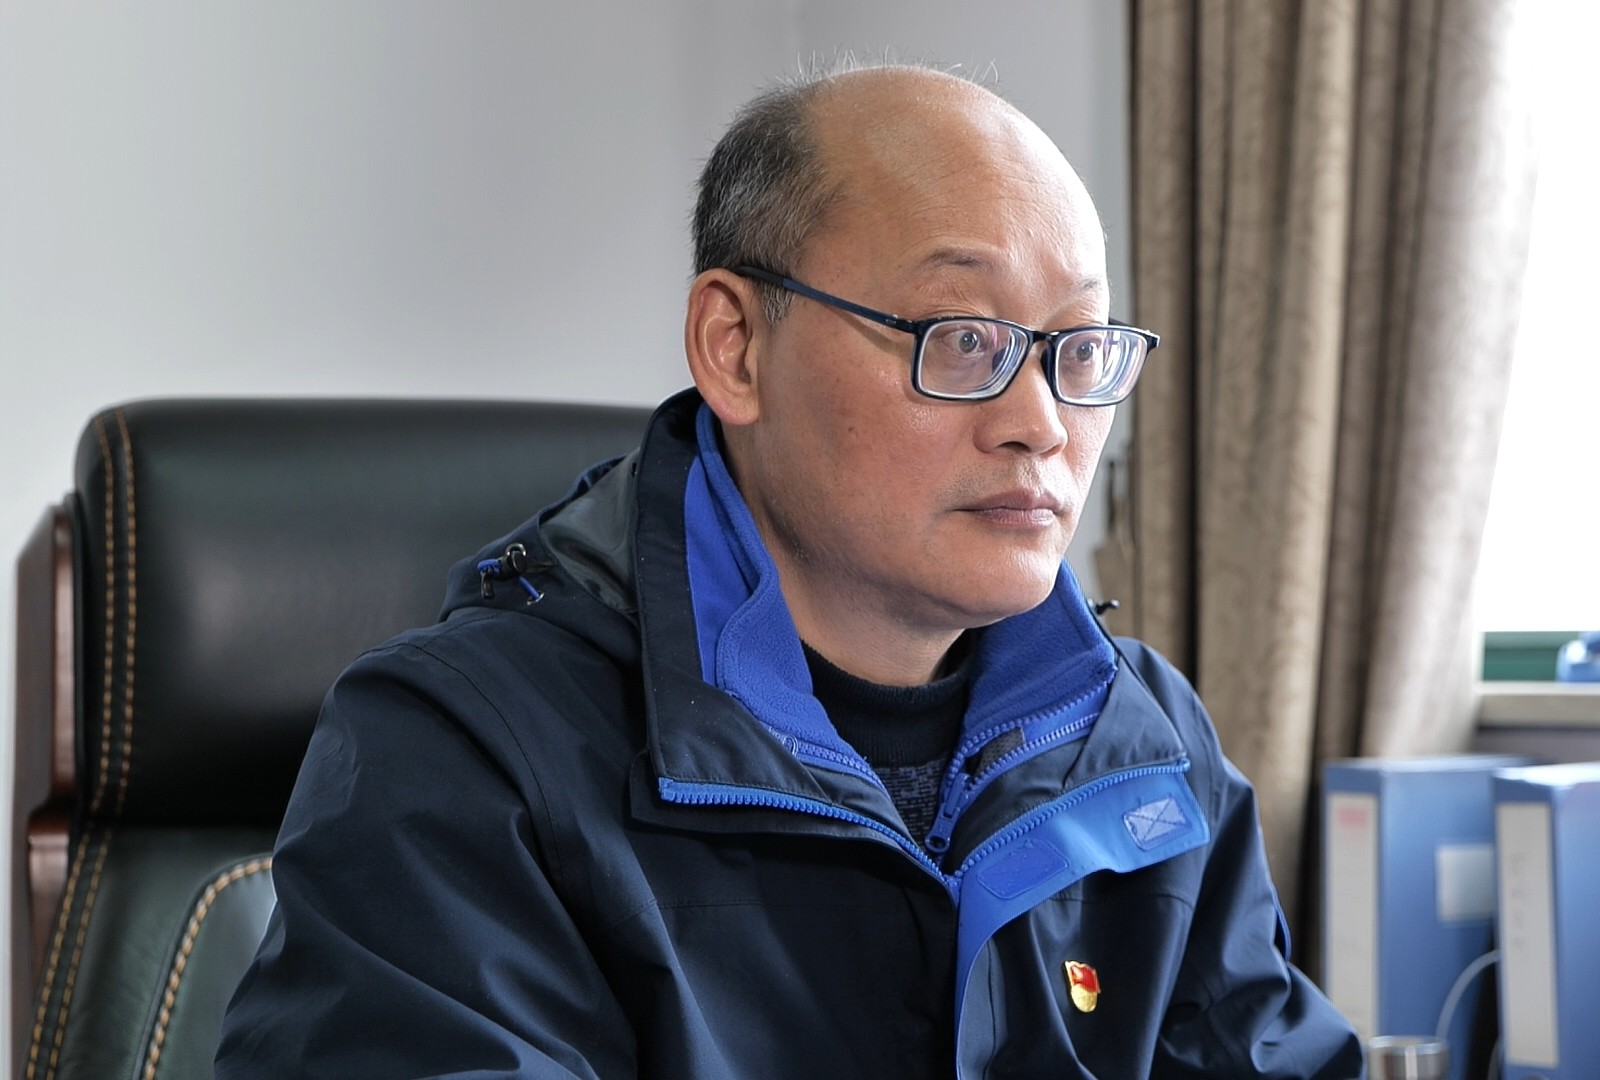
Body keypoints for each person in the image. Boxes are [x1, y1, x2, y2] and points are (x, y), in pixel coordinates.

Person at [215, 62, 1362, 1079]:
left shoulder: (1146, 745)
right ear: (736, 348)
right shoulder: (467, 752)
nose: (1043, 423)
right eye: (963, 338)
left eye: (1079, 348)